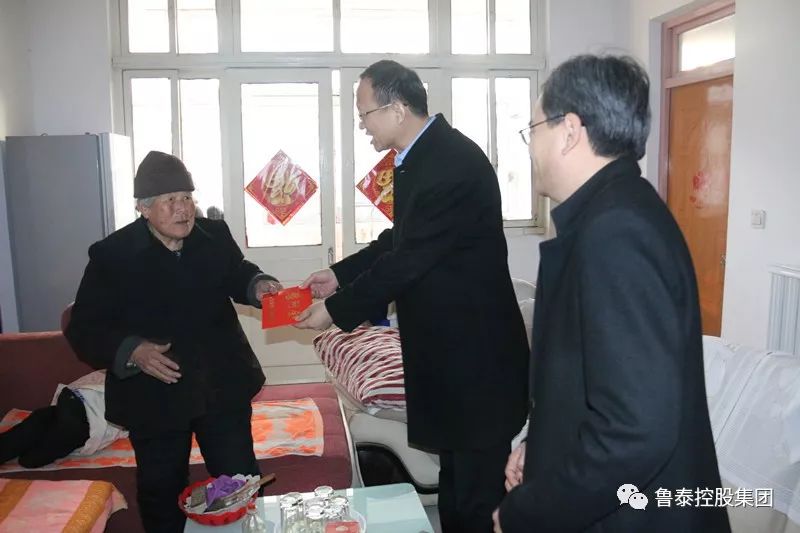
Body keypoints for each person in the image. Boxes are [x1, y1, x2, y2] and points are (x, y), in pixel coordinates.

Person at [493, 54, 730, 533]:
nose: (530, 147)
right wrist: (542, 445)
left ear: (569, 131)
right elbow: (593, 381)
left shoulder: (616, 231)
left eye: (533, 129)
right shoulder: (612, 212)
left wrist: (529, 511)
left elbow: (636, 430)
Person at [295, 60, 529, 532]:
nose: (363, 125)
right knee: (456, 488)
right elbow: (398, 241)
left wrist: (335, 311)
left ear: (398, 108)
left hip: (477, 361)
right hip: (449, 356)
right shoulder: (420, 157)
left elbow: (409, 260)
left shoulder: (451, 163)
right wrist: (338, 275)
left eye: (365, 114)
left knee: (477, 498)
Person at [65, 151, 282, 533]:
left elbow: (237, 272)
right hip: (154, 396)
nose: (183, 209)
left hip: (219, 385)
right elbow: (83, 327)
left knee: (241, 481)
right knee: (161, 493)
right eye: (170, 200)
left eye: (187, 197)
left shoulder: (213, 235)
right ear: (144, 208)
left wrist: (257, 284)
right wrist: (132, 351)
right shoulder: (112, 255)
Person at [0, 370, 126, 468]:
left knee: (30, 448)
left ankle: (48, 417)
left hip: (74, 401)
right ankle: (49, 418)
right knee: (30, 460)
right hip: (82, 407)